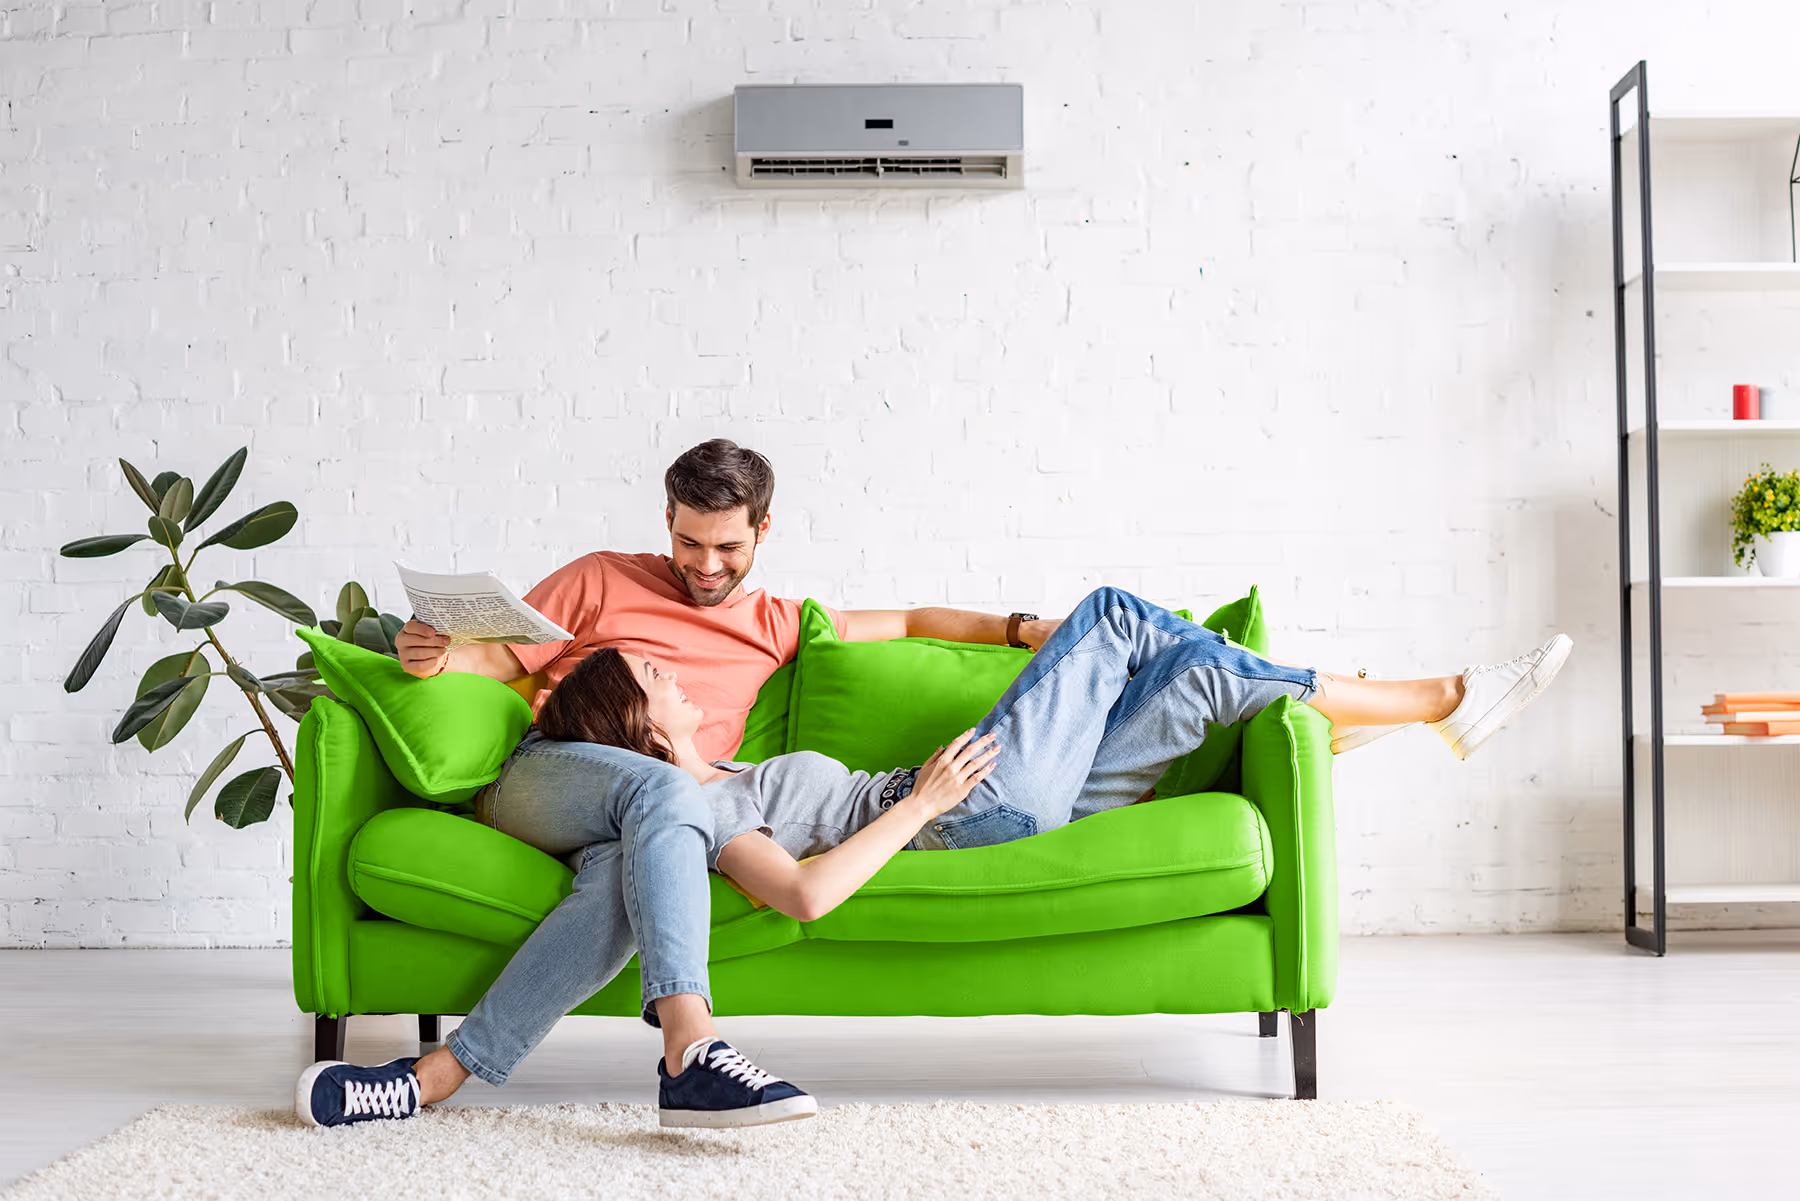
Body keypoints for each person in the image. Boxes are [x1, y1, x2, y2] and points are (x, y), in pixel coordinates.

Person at [297, 439, 1071, 1130]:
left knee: (631, 865)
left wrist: (1020, 628)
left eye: (727, 546)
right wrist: (433, 657)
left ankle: (428, 1080)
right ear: (667, 519)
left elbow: (905, 621)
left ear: (762, 530)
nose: (705, 565)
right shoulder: (600, 578)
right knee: (670, 792)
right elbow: (496, 661)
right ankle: (690, 1049)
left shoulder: (775, 621)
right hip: (550, 775)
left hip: (655, 817)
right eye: (688, 541)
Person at [533, 586, 1572, 926]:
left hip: (1017, 805)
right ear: (641, 726)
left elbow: (901, 615)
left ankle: (1409, 710)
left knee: (1202, 678)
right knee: (1113, 613)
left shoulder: (716, 775)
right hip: (962, 810)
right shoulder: (699, 812)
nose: (675, 674)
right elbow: (804, 896)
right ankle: (1441, 698)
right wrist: (920, 800)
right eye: (655, 676)